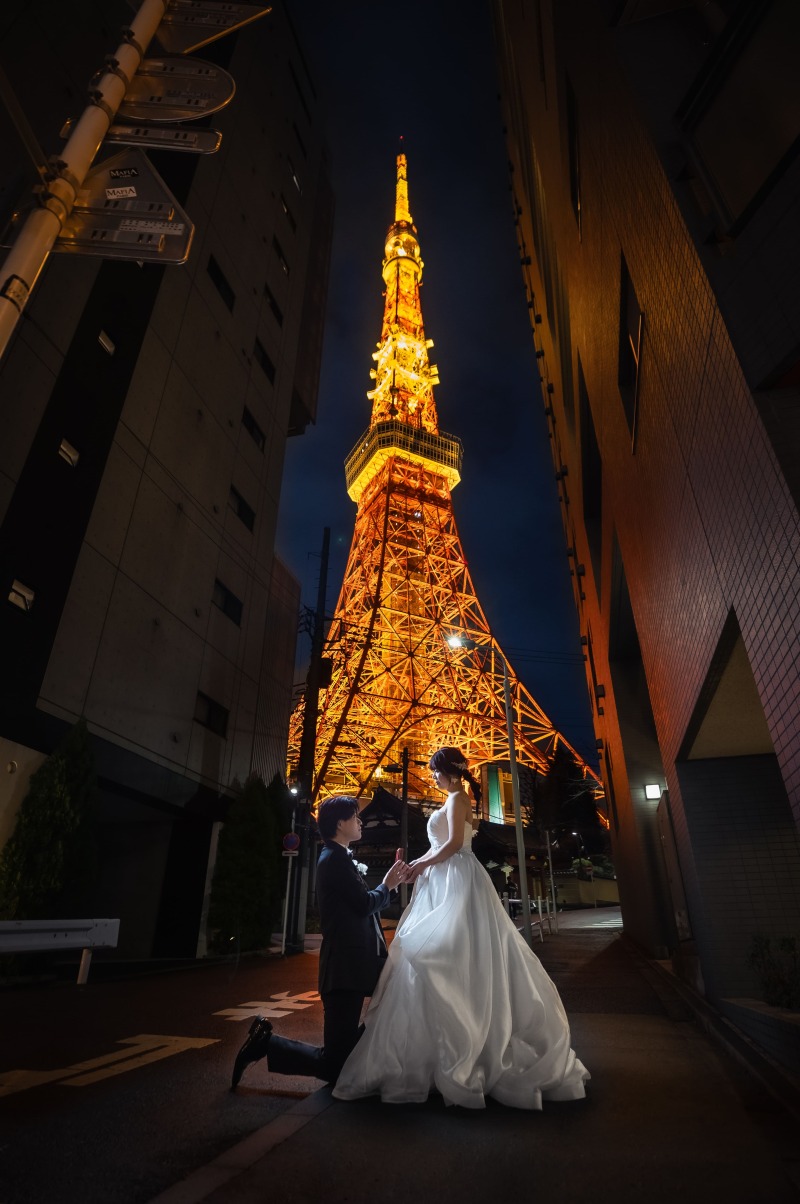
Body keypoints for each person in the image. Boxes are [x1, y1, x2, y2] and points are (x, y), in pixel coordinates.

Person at [332, 747, 590, 1110]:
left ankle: (460, 1048)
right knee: (449, 954)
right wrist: (419, 865)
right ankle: (447, 1047)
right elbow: (445, 845)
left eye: (434, 770)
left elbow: (453, 844)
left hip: (456, 880)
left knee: (445, 953)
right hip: (445, 880)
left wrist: (420, 865)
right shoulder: (454, 798)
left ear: (449, 772)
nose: (432, 776)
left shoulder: (457, 798)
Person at [230, 795, 408, 1089]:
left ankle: (367, 1061)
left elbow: (363, 910)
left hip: (356, 966)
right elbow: (364, 904)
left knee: (396, 1005)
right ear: (340, 824)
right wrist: (387, 885)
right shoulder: (333, 859)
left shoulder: (339, 858)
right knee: (335, 1064)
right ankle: (266, 1044)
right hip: (343, 971)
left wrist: (391, 884)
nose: (360, 822)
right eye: (355, 817)